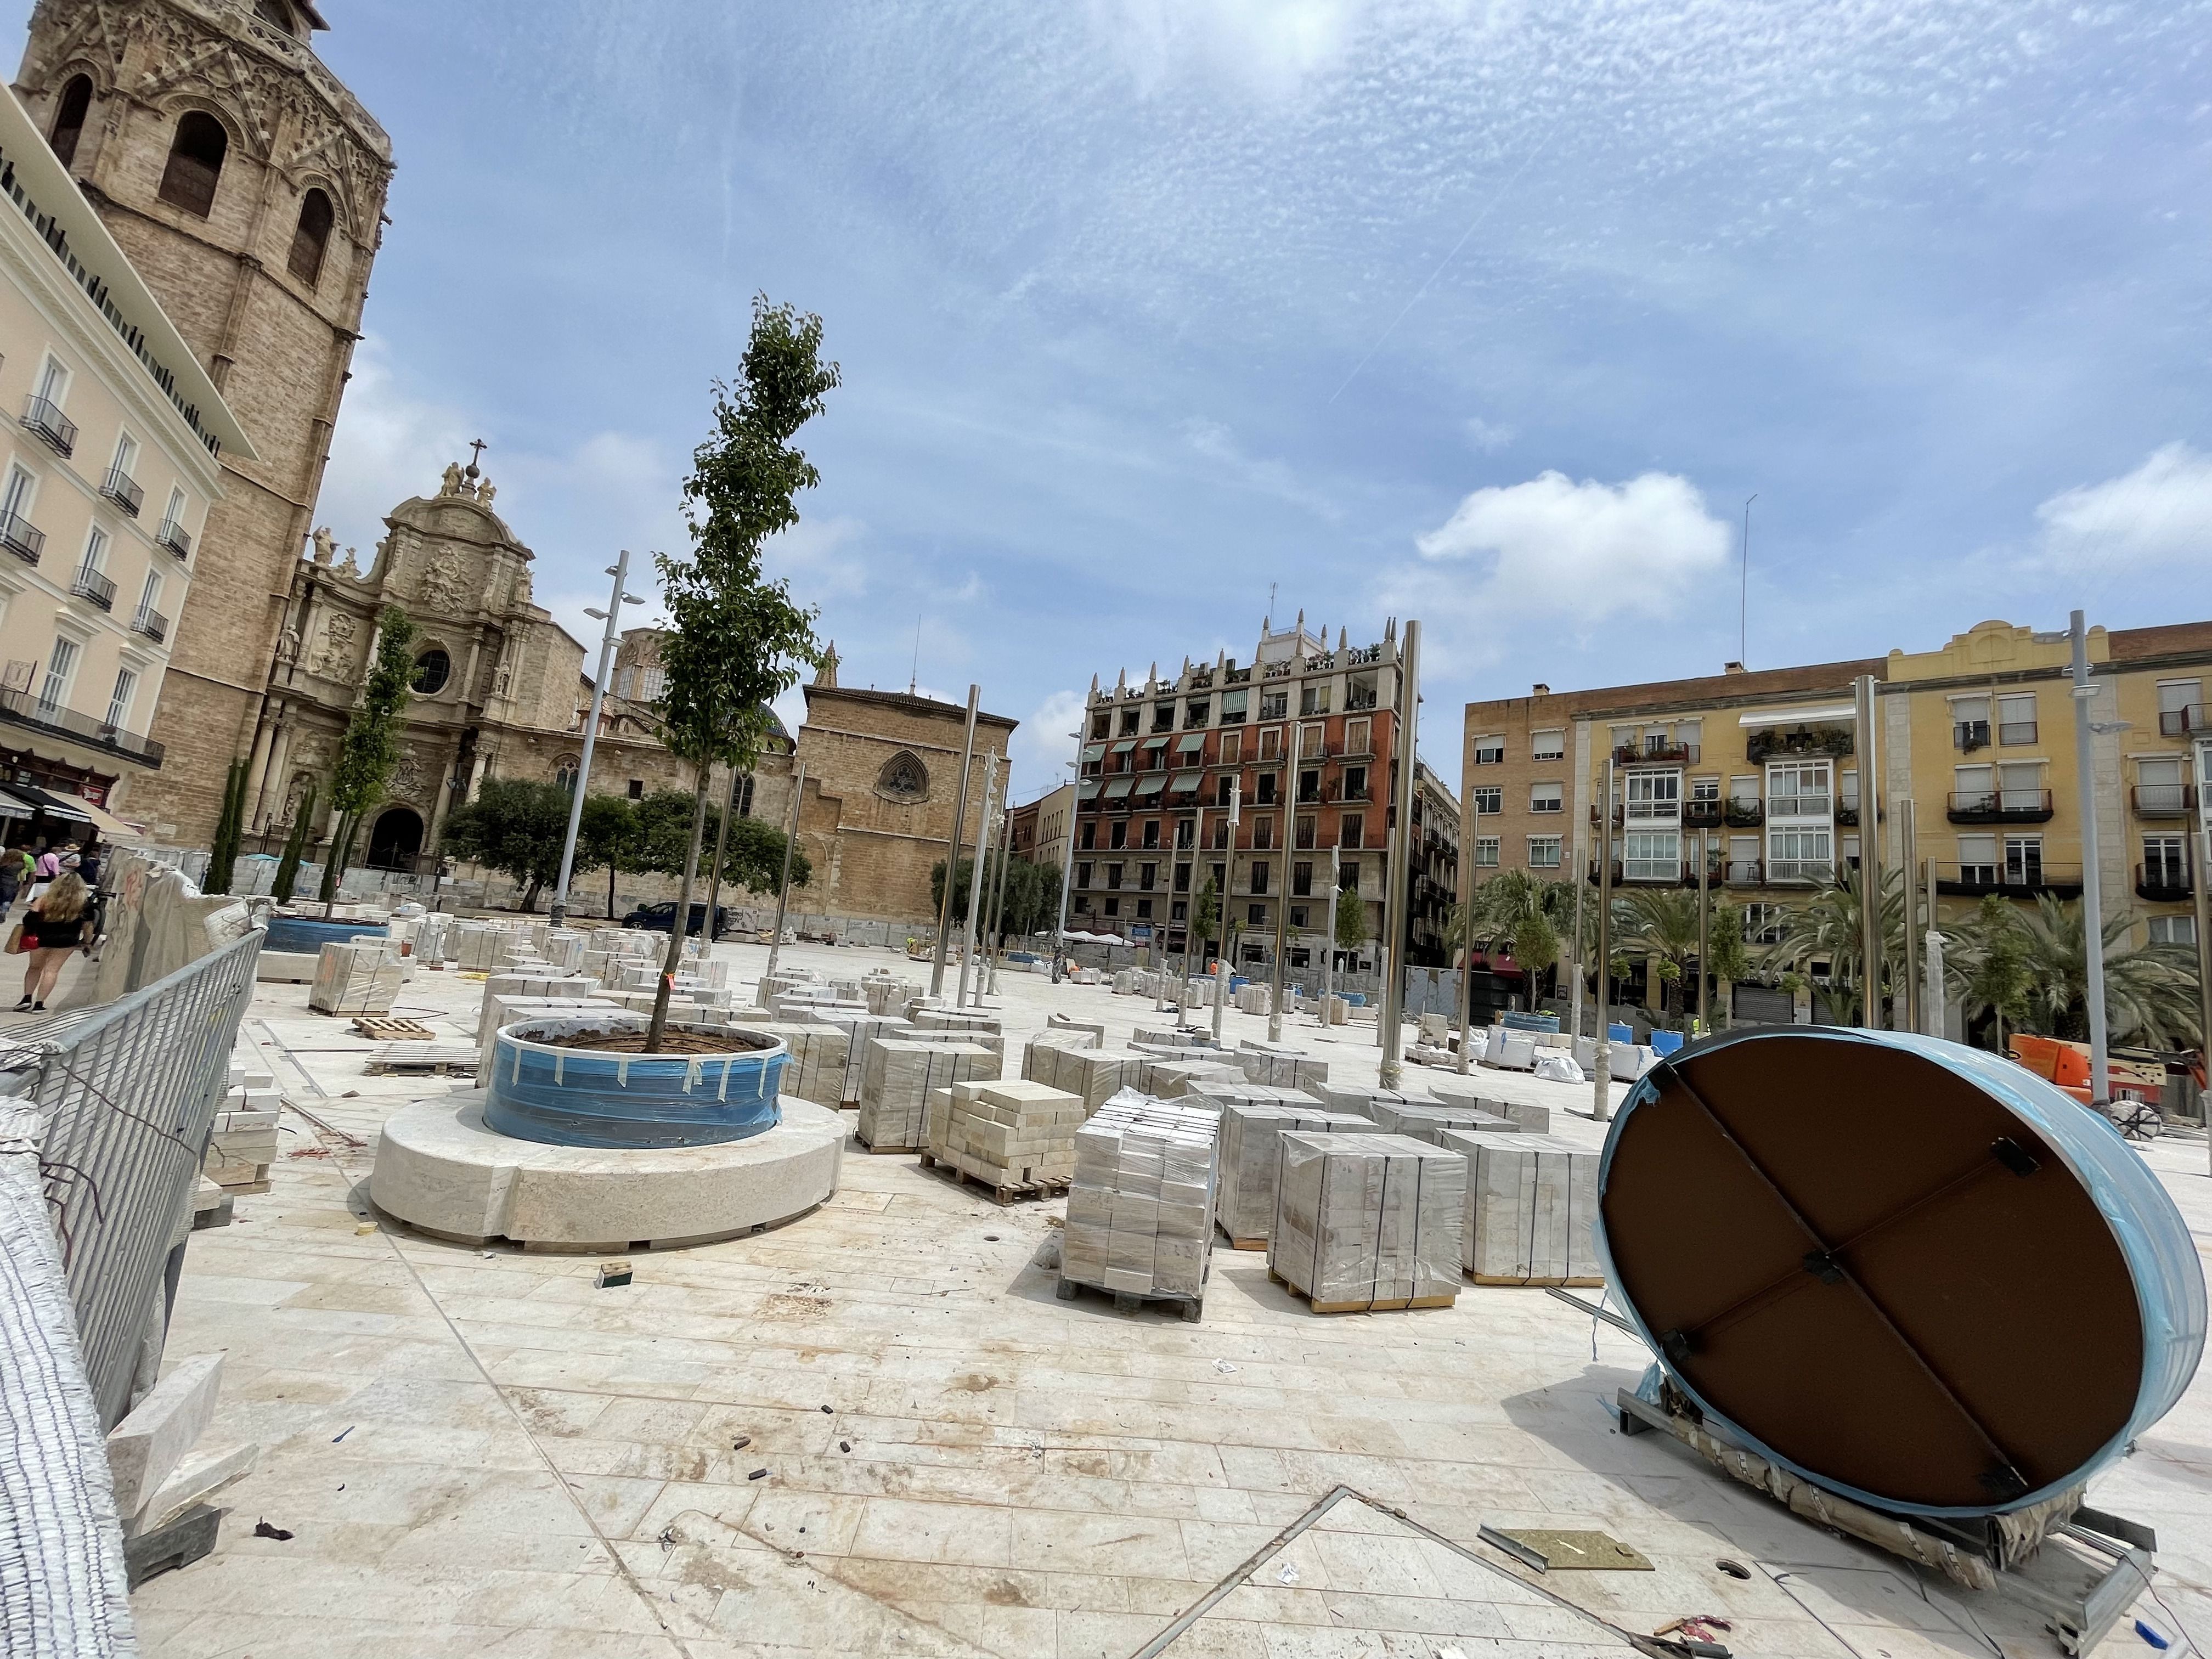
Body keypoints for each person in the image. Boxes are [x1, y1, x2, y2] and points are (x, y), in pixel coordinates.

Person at [17, 870, 91, 1011]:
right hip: (67, 941)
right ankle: (39, 1004)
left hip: (41, 939)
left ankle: (26, 999)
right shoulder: (83, 903)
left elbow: (29, 918)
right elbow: (88, 926)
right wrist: (87, 943)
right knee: (52, 971)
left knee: (34, 967)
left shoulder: (45, 899)